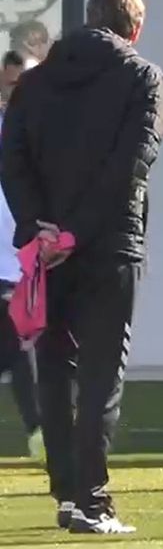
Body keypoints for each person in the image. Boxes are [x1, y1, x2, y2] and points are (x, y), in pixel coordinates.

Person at [0, 0, 163, 534]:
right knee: (102, 373)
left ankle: (69, 494)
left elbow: (12, 158)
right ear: (134, 29)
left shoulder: (33, 83)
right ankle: (93, 501)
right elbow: (131, 167)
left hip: (49, 252)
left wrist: (39, 227)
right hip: (110, 243)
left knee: (54, 368)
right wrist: (74, 231)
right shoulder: (145, 78)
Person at [0, 48, 44, 463]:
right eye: (12, 85)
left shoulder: (48, 135)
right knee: (18, 352)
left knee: (22, 352)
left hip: (30, 266)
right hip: (6, 268)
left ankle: (41, 433)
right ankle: (40, 432)